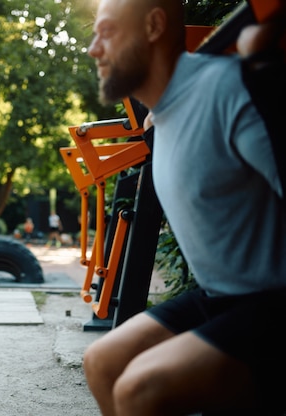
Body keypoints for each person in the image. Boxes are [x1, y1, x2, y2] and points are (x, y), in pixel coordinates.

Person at [82, 1, 286, 415]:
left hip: (274, 301)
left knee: (141, 390)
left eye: (106, 32)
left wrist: (266, 71)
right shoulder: (163, 115)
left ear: (154, 26)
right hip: (219, 297)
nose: (93, 49)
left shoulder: (230, 89)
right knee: (102, 363)